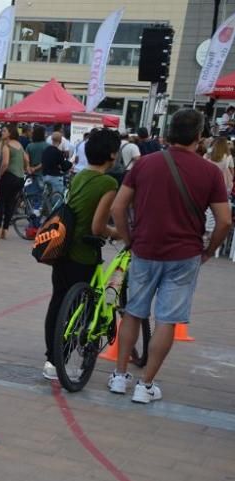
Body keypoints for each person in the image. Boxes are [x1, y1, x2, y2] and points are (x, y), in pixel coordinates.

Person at [108, 109, 232, 404]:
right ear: (199, 136)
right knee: (167, 319)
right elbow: (224, 221)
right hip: (184, 253)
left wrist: (129, 237)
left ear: (169, 131)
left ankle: (119, 376)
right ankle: (145, 384)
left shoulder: (144, 164)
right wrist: (208, 251)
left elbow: (117, 207)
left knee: (134, 312)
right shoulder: (210, 172)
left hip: (145, 248)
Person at [41, 129, 121, 380]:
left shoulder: (79, 176)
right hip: (84, 251)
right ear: (111, 154)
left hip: (61, 246)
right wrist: (116, 232)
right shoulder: (109, 183)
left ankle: (51, 360)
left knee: (58, 301)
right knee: (82, 305)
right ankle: (64, 356)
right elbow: (98, 226)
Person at [0, 123, 28, 240]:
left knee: (0, 202)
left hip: (8, 176)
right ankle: (5, 230)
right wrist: (24, 168)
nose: (2, 133)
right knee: (10, 203)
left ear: (10, 133)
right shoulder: (19, 145)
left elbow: (5, 163)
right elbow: (26, 158)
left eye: (4, 131)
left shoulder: (6, 146)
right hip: (19, 178)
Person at [40, 131, 68, 196]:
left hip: (45, 176)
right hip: (55, 177)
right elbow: (64, 167)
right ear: (60, 140)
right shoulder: (58, 152)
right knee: (58, 198)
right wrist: (70, 164)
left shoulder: (45, 150)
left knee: (47, 198)